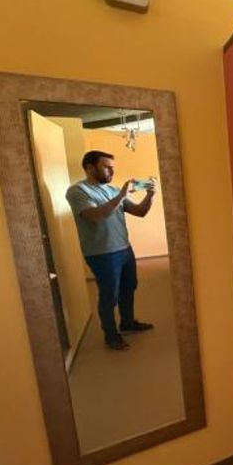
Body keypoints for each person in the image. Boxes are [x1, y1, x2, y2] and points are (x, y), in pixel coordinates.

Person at [66, 150, 156, 351]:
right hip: (101, 253)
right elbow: (95, 215)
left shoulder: (113, 190)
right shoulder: (77, 191)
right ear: (90, 168)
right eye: (106, 167)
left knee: (129, 287)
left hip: (124, 248)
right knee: (109, 296)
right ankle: (111, 336)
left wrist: (150, 196)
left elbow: (140, 212)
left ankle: (127, 323)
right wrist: (121, 196)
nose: (112, 172)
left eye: (113, 168)